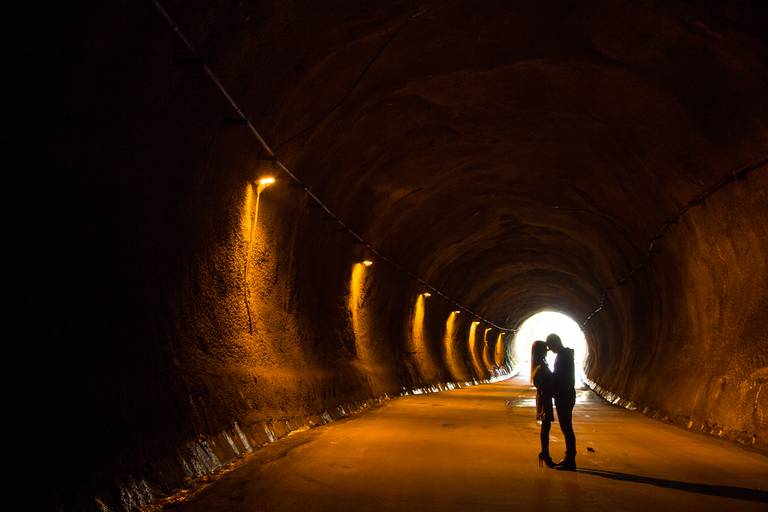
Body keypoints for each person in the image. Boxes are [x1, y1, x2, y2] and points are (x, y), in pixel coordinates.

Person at [546, 332, 577, 470]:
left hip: (564, 395)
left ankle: (570, 459)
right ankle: (570, 457)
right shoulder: (565, 355)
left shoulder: (563, 357)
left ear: (555, 343)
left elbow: (562, 377)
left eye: (550, 346)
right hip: (566, 394)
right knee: (566, 427)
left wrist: (549, 378)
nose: (550, 350)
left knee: (566, 427)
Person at [530, 340, 555, 468]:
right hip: (544, 398)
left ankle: (545, 453)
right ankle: (545, 454)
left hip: (543, 398)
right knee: (545, 427)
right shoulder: (541, 366)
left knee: (546, 427)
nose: (547, 351)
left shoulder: (538, 365)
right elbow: (542, 383)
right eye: (545, 349)